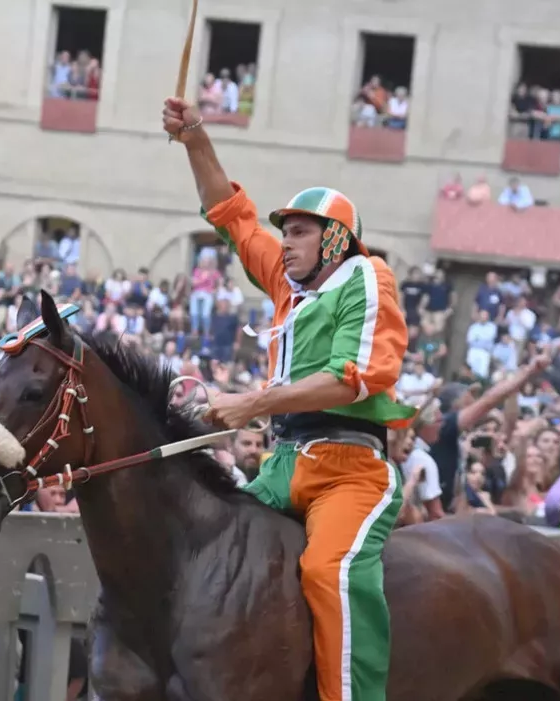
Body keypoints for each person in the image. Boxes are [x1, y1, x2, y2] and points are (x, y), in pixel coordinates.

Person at [164, 95, 414, 701]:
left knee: (328, 573)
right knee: (211, 551)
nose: (287, 240)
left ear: (336, 240)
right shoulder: (284, 276)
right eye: (287, 232)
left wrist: (252, 403)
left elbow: (358, 378)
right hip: (282, 467)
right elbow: (231, 214)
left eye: (300, 231)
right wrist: (196, 137)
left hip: (351, 472)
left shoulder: (367, 276)